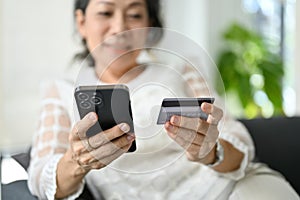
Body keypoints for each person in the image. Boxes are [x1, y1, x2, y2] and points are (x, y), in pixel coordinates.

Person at [27, 0, 299, 199]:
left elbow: (241, 146)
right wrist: (77, 161)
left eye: (134, 15)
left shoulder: (181, 69)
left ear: (149, 27)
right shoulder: (60, 91)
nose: (120, 27)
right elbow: (40, 178)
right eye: (106, 12)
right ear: (82, 22)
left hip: (224, 189)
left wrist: (209, 151)